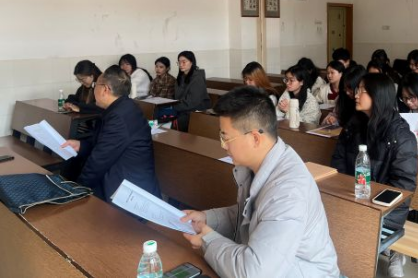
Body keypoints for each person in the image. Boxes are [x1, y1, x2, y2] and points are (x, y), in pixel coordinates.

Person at [181, 87, 340, 278]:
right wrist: (207, 219)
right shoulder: (259, 163)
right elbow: (250, 215)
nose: (223, 146)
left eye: (226, 138)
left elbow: (255, 273)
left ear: (255, 138)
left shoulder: (288, 192)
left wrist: (208, 240)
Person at [331, 73, 418, 278]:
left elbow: (403, 187)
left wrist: (367, 207)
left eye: (363, 90)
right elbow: (338, 163)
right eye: (357, 89)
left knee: (345, 236)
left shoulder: (401, 136)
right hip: (352, 199)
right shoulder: (353, 125)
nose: (356, 94)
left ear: (378, 96)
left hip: (386, 211)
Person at [61, 66, 161, 201]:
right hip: (116, 176)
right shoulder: (121, 107)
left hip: (128, 193)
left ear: (105, 89)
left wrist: (77, 190)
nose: (93, 89)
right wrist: (81, 145)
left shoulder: (119, 116)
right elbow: (104, 146)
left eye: (95, 85)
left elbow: (98, 161)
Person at [174, 51, 211, 132]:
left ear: (191, 62)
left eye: (184, 62)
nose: (181, 65)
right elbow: (176, 96)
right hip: (183, 108)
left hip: (196, 110)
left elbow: (192, 101)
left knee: (176, 122)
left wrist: (173, 107)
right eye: (179, 62)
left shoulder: (197, 78)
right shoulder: (181, 77)